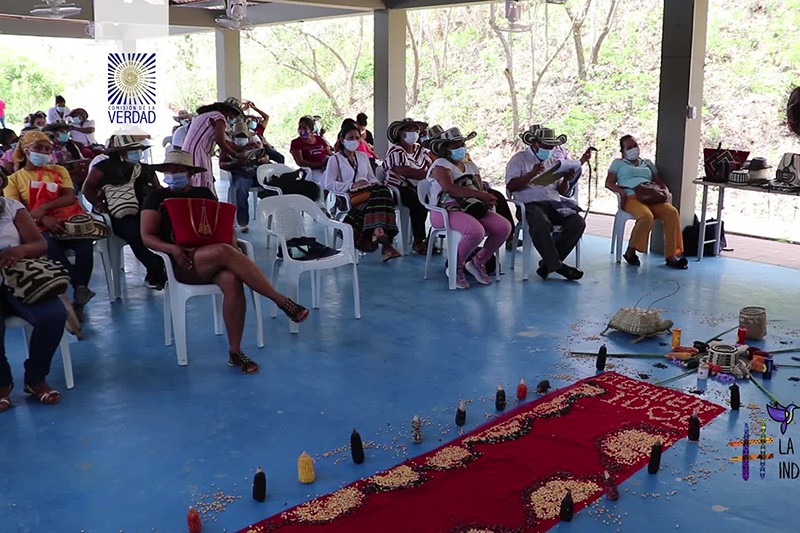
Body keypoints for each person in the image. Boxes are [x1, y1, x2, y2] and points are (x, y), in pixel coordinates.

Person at [140, 150, 309, 374]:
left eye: (178, 170)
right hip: (182, 262)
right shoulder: (156, 197)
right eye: (168, 171)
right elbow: (147, 236)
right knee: (224, 251)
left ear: (190, 173)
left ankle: (235, 352)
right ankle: (280, 300)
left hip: (214, 259)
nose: (172, 175)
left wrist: (233, 243)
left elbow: (224, 224)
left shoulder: (203, 193)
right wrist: (172, 248)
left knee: (231, 280)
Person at [3, 131, 96, 312]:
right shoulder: (13, 180)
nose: (44, 152)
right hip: (35, 226)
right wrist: (44, 218)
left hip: (66, 221)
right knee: (48, 247)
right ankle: (79, 287)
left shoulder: (59, 171)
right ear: (26, 150)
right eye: (39, 148)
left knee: (84, 243)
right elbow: (16, 209)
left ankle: (80, 290)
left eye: (47, 149)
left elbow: (69, 196)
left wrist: (44, 208)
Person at [0, 171, 68, 410]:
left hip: (21, 277)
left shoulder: (12, 208)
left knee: (54, 315)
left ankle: (35, 378)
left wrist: (19, 251)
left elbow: (40, 244)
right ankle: (2, 383)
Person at [427, 128, 512, 289]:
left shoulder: (470, 166)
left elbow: (479, 188)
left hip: (471, 208)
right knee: (475, 231)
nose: (460, 148)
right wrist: (480, 195)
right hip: (445, 211)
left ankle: (478, 261)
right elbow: (450, 188)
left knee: (504, 227)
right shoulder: (440, 165)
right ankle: (456, 267)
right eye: (455, 145)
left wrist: (486, 198)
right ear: (445, 148)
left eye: (462, 144)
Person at [505, 125, 590, 281]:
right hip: (529, 205)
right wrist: (531, 174)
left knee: (577, 222)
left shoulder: (554, 161)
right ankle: (557, 266)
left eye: (551, 147)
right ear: (535, 143)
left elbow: (562, 191)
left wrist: (566, 179)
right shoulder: (519, 159)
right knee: (540, 222)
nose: (549, 150)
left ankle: (548, 264)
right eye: (546, 146)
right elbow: (511, 187)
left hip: (554, 204)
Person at [83, 136, 166, 289]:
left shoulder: (146, 169)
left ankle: (157, 271)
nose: (137, 153)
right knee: (135, 233)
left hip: (146, 212)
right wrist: (98, 204)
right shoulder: (103, 167)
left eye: (138, 150)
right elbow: (87, 188)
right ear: (121, 152)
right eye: (132, 150)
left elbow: (158, 190)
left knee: (165, 229)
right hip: (120, 214)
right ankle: (157, 267)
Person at [605, 134, 687, 269]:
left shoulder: (647, 163)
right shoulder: (618, 163)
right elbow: (609, 183)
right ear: (623, 151)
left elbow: (658, 180)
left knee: (672, 212)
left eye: (635, 145)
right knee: (646, 216)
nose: (633, 149)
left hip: (651, 197)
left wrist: (665, 190)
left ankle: (671, 255)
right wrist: (621, 192)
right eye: (629, 147)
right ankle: (630, 251)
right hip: (632, 197)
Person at [324, 121, 401, 261]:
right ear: (342, 139)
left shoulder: (363, 156)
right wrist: (352, 185)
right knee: (382, 195)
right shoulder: (335, 159)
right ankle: (384, 240)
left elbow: (372, 177)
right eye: (350, 138)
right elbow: (328, 184)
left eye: (357, 138)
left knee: (382, 190)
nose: (354, 141)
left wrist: (370, 183)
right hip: (350, 197)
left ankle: (378, 232)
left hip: (369, 194)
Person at [382, 118, 433, 254]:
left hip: (419, 185)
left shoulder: (419, 149)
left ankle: (431, 237)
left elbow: (431, 164)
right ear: (400, 133)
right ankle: (418, 241)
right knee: (418, 202)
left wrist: (429, 173)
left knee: (435, 199)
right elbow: (405, 171)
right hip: (398, 188)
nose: (413, 133)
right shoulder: (396, 151)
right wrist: (427, 174)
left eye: (415, 130)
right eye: (409, 130)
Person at [181, 99, 245, 193]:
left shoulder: (207, 115)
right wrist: (236, 155)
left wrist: (244, 149)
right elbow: (221, 142)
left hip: (188, 153)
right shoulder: (219, 118)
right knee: (201, 182)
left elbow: (227, 141)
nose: (233, 118)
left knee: (192, 182)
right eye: (234, 115)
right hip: (198, 153)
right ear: (229, 111)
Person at [219, 121, 271, 233]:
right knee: (241, 189)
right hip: (241, 175)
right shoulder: (227, 148)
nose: (241, 138)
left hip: (256, 173)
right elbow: (222, 164)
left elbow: (266, 156)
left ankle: (275, 210)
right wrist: (235, 163)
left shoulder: (253, 145)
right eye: (239, 136)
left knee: (272, 182)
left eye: (244, 136)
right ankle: (243, 222)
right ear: (233, 137)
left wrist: (263, 159)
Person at [42, 121, 91, 191]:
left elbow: (81, 159)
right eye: (64, 132)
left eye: (68, 132)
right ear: (55, 134)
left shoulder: (71, 146)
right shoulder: (48, 148)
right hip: (58, 178)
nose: (66, 134)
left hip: (75, 174)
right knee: (73, 186)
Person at [290, 115, 333, 185]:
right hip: (312, 170)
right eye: (300, 127)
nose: (301, 130)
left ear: (311, 129)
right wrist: (319, 164)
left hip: (326, 165)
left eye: (304, 128)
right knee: (324, 181)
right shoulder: (296, 142)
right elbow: (300, 162)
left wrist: (332, 160)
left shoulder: (319, 138)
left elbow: (329, 153)